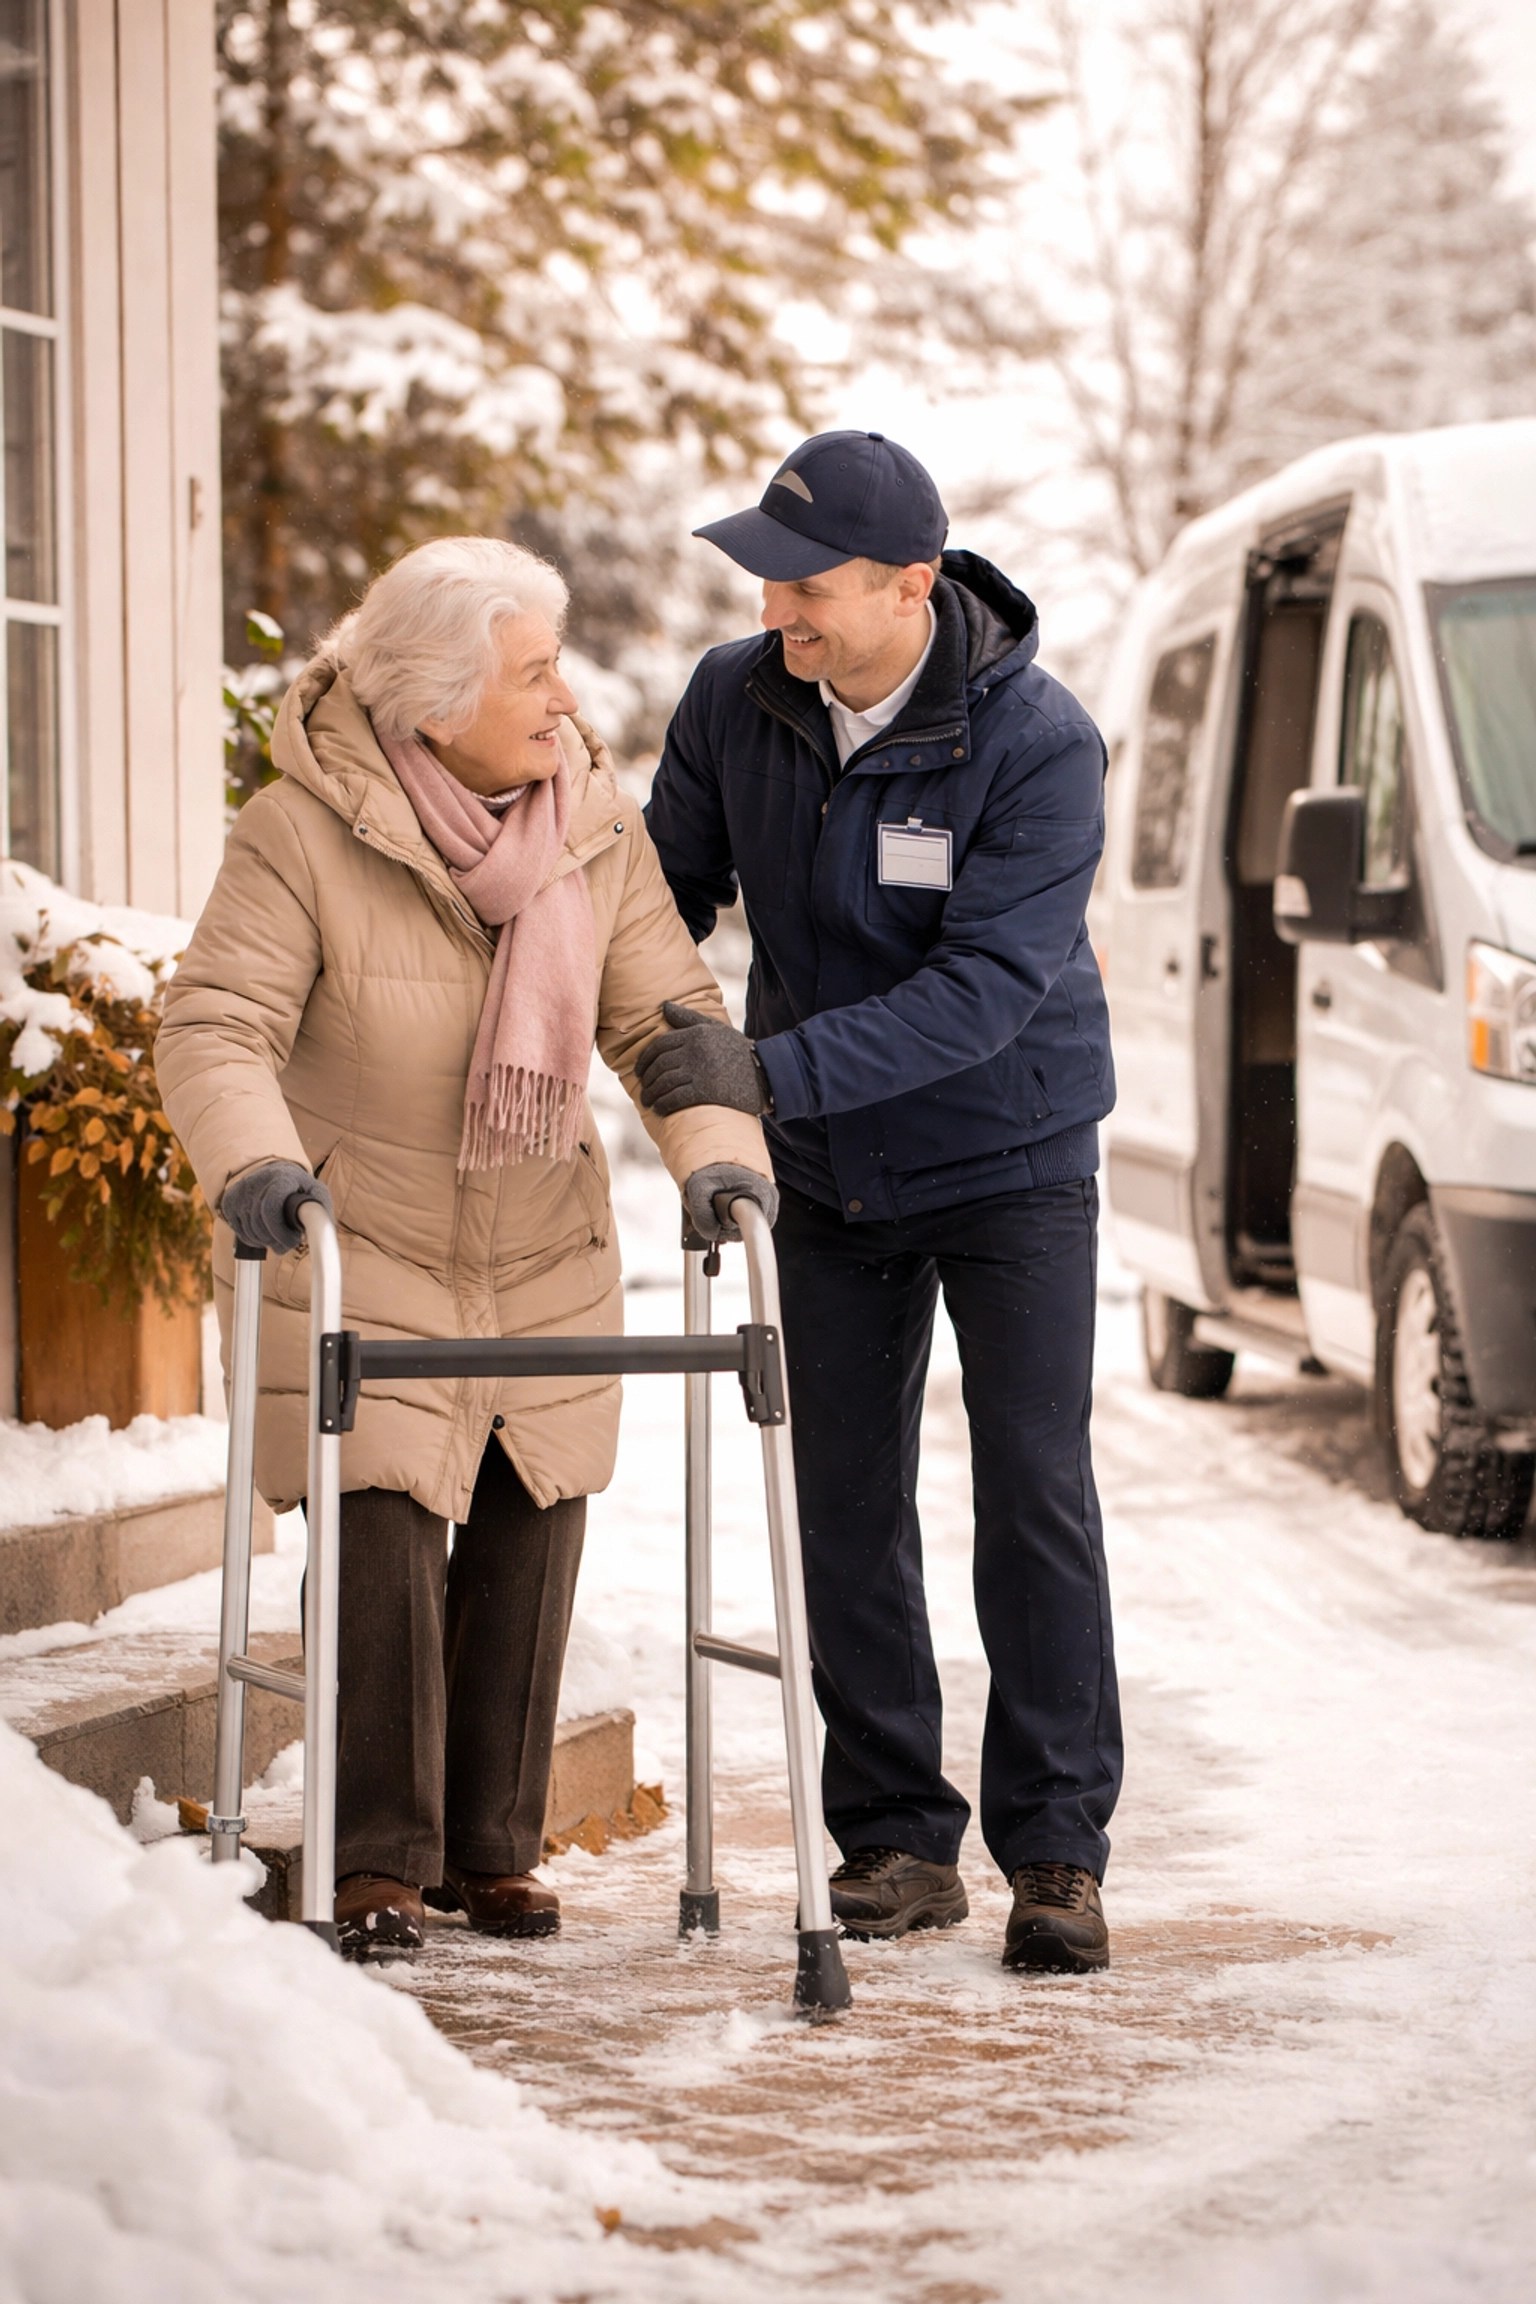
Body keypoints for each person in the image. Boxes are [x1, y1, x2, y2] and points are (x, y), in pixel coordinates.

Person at [157, 537, 775, 1962]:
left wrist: (723, 1167)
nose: (565, 697)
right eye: (533, 671)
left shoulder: (590, 827)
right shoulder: (302, 832)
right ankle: (373, 1859)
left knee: (529, 1516)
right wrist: (254, 1163)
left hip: (538, 1240)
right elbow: (216, 1023)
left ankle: (491, 1851)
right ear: (433, 708)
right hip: (364, 1238)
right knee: (379, 1528)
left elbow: (665, 1022)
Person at [638, 431, 1121, 1974]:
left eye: (811, 586)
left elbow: (984, 992)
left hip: (1010, 1155)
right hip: (832, 1172)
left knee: (1031, 1491)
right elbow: (658, 897)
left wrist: (762, 1071)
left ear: (914, 584)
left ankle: (1054, 1852)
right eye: (765, 579)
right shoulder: (738, 697)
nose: (780, 612)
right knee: (845, 1499)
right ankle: (899, 1841)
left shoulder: (1040, 746)